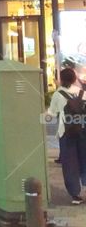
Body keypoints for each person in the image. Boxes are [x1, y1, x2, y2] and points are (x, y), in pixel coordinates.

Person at [48, 68, 86, 203]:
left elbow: (52, 113)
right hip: (83, 131)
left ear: (61, 79)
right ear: (74, 79)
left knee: (70, 163)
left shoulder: (58, 94)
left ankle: (75, 195)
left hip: (66, 132)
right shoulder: (82, 92)